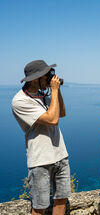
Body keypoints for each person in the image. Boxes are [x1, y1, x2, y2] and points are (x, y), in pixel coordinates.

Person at [11, 60, 71, 215]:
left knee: (61, 200)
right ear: (34, 79)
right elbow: (52, 120)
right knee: (40, 206)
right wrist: (54, 91)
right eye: (46, 76)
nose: (49, 78)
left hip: (60, 155)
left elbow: (61, 113)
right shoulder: (20, 101)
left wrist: (57, 91)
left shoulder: (42, 95)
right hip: (40, 160)